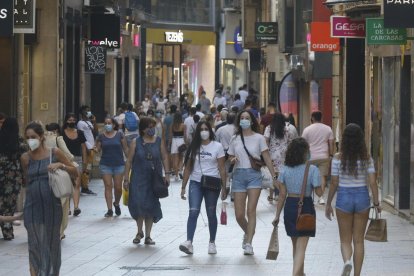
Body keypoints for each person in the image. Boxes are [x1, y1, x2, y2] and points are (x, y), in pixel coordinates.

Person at [20, 122, 77, 276]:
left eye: (33, 137)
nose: (30, 140)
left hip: (52, 205)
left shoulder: (55, 153)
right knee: (34, 244)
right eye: (28, 138)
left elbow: (75, 172)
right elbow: (27, 180)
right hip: (32, 206)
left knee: (52, 244)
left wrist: (61, 165)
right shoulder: (25, 158)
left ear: (41, 137)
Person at [325, 123, 381, 276]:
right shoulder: (366, 158)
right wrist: (376, 203)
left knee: (345, 240)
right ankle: (357, 274)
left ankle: (347, 261)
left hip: (344, 198)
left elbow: (335, 182)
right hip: (362, 198)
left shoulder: (337, 158)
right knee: (359, 241)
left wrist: (328, 203)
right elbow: (372, 182)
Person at [227, 110, 278, 255]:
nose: (244, 120)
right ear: (239, 121)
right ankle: (248, 232)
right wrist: (232, 159)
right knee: (238, 215)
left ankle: (249, 243)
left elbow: (267, 158)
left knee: (251, 211)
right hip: (238, 175)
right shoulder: (235, 138)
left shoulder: (259, 138)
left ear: (252, 120)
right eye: (242, 118)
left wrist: (274, 176)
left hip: (254, 175)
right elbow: (230, 155)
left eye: (247, 118)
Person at [272, 137, 322, 276]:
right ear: (305, 152)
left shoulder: (285, 170)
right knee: (301, 248)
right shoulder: (312, 169)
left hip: (290, 207)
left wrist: (276, 216)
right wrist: (321, 178)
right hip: (305, 207)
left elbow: (282, 195)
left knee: (296, 245)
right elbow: (319, 193)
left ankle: (300, 273)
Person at [179, 121, 227, 255]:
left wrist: (224, 187)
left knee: (211, 213)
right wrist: (183, 186)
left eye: (206, 129)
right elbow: (188, 168)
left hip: (212, 183)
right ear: (197, 132)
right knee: (193, 211)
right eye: (201, 129)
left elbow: (222, 168)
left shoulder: (217, 146)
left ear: (210, 131)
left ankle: (212, 242)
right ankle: (189, 242)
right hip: (195, 182)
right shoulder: (194, 147)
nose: (204, 131)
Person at [123, 117, 170, 245]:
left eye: (153, 126)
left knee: (150, 206)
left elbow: (164, 157)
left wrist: (167, 173)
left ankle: (148, 236)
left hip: (153, 179)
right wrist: (126, 178)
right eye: (149, 127)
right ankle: (139, 232)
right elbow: (129, 161)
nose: (151, 129)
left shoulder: (159, 141)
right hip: (138, 178)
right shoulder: (135, 142)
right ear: (143, 129)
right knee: (139, 204)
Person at [45, 123, 75, 240]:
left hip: (42, 176)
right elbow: (69, 156)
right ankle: (60, 232)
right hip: (57, 175)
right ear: (57, 130)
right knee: (62, 203)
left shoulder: (37, 142)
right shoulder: (58, 139)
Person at [95, 118, 128, 217]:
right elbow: (98, 148)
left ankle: (116, 203)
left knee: (118, 188)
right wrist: (95, 148)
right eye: (105, 123)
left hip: (119, 164)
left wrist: (130, 160)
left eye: (109, 123)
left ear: (114, 125)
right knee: (108, 186)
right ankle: (109, 210)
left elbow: (125, 149)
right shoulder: (101, 136)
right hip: (105, 164)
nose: (107, 125)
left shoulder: (120, 135)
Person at [0, 118, 27, 240]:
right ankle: (7, 232)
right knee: (9, 205)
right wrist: (25, 176)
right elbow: (25, 159)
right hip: (13, 177)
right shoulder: (19, 142)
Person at [302, 110, 334, 204]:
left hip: (311, 157)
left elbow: (303, 143)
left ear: (312, 118)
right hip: (324, 156)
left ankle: (309, 196)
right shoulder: (328, 128)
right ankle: (321, 198)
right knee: (322, 176)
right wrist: (331, 154)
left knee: (310, 175)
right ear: (321, 118)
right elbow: (331, 143)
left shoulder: (307, 129)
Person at [264, 112, 298, 202]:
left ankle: (272, 195)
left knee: (273, 175)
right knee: (282, 175)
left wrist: (266, 153)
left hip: (272, 155)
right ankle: (281, 193)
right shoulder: (288, 128)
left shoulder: (269, 128)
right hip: (285, 155)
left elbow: (266, 141)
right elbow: (292, 141)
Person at [62, 113, 88, 216]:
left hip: (77, 160)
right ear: (66, 121)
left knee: (77, 184)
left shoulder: (80, 133)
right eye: (69, 120)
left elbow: (83, 147)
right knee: (67, 184)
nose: (71, 122)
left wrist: (85, 160)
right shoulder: (62, 133)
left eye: (73, 120)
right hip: (65, 160)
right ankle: (67, 207)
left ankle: (76, 207)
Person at [77, 105, 98, 195]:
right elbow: (81, 137)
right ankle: (84, 187)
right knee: (86, 169)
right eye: (86, 110)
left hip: (92, 147)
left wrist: (94, 122)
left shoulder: (89, 122)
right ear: (82, 113)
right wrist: (87, 148)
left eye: (89, 110)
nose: (88, 112)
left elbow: (95, 132)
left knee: (88, 168)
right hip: (87, 148)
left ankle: (86, 186)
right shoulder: (80, 123)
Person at [170, 112, 187, 181]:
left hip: (174, 141)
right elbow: (185, 136)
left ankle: (176, 176)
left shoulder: (172, 125)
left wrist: (169, 143)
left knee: (175, 159)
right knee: (181, 158)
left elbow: (170, 136)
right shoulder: (183, 125)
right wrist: (186, 143)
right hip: (181, 141)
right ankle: (180, 170)